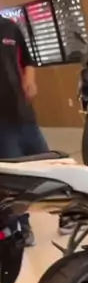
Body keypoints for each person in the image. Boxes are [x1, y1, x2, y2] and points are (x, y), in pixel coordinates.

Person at [0, 16, 49, 246]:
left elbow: (28, 60)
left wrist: (30, 80)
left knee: (49, 166)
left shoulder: (9, 27)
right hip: (2, 124)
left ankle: (70, 214)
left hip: (24, 113)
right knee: (14, 180)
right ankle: (20, 227)